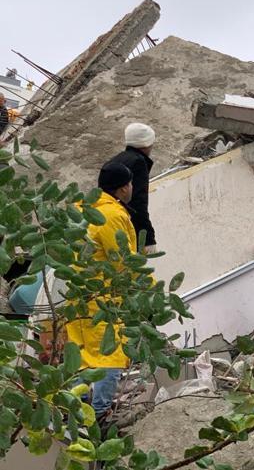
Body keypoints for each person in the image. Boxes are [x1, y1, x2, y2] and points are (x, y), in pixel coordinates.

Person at [66, 162, 136, 421]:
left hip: (77, 294)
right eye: (130, 184)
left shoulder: (82, 209)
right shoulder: (111, 215)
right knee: (111, 355)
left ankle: (72, 411)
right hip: (104, 297)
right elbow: (122, 261)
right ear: (122, 188)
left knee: (83, 356)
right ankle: (97, 414)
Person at [108, 123, 157, 252]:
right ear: (146, 144)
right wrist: (147, 239)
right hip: (128, 227)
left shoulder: (115, 160)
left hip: (111, 222)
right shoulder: (138, 163)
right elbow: (138, 202)